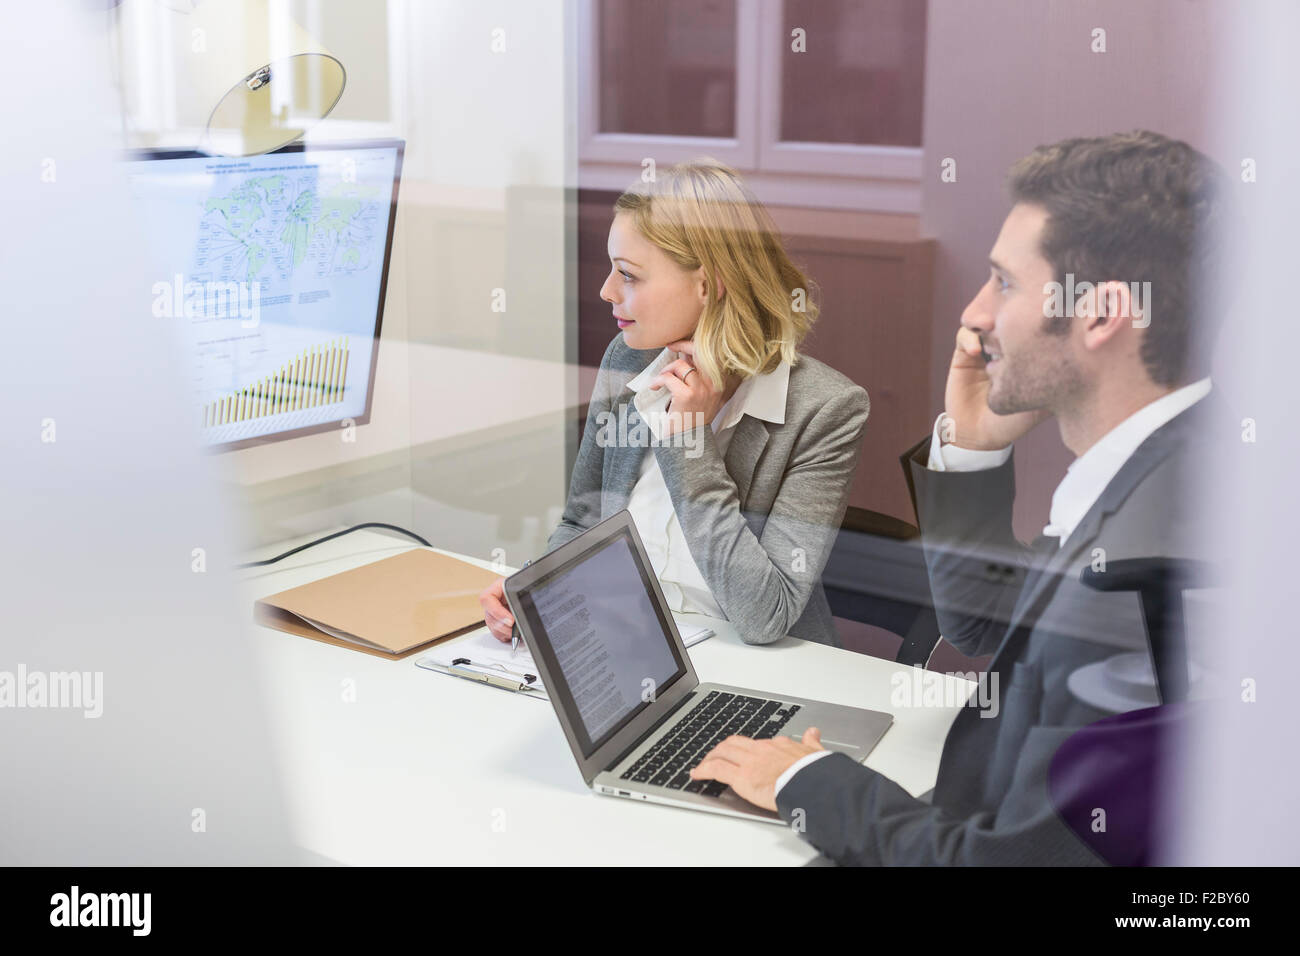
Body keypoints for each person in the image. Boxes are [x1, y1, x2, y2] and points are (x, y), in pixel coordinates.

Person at [690, 130, 1233, 864]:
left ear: (1102, 315)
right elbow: (993, 630)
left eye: (1004, 283)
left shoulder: (1148, 564)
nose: (975, 315)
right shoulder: (1179, 473)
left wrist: (807, 780)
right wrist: (976, 451)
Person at [479, 158, 870, 647]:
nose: (606, 291)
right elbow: (583, 520)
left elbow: (765, 617)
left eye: (629, 275)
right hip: (627, 650)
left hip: (752, 673)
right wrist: (539, 589)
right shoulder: (627, 359)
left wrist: (688, 443)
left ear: (709, 284)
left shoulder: (827, 411)